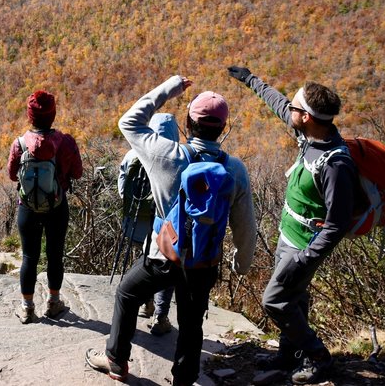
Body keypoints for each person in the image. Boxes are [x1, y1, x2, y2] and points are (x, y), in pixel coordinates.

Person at [86, 75, 256, 384]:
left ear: (187, 125)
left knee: (127, 293)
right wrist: (241, 263)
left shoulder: (165, 154)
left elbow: (129, 121)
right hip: (204, 261)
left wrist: (171, 87)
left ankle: (115, 361)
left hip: (163, 256)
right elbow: (245, 225)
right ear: (222, 129)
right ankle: (184, 379)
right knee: (191, 324)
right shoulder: (235, 169)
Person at [227, 66, 357, 384]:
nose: (290, 110)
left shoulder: (336, 164)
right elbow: (279, 103)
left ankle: (318, 357)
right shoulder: (308, 134)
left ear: (308, 117)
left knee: (274, 299)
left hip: (304, 245)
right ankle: (288, 356)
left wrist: (305, 257)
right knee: (295, 298)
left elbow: (338, 224)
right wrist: (250, 79)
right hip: (289, 234)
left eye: (296, 108)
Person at [7, 89, 83, 324]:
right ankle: (54, 302)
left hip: (28, 208)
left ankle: (27, 307)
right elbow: (78, 173)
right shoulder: (65, 142)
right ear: (53, 114)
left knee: (30, 256)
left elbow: (12, 175)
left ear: (30, 116)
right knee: (54, 255)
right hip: (57, 206)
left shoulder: (19, 144)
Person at [117, 113, 177, 335]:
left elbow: (123, 191)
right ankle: (160, 316)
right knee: (164, 265)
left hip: (135, 225)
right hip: (163, 229)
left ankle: (145, 303)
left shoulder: (132, 155)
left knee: (144, 262)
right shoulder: (178, 158)